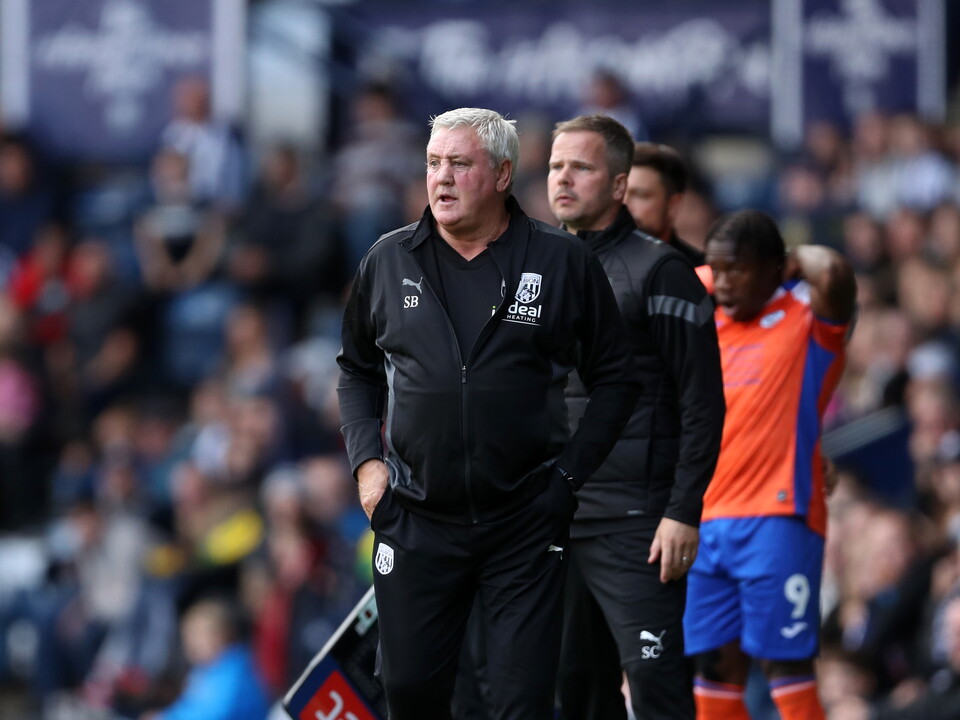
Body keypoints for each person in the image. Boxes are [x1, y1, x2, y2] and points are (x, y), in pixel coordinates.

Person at [336, 107, 641, 720]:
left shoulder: (561, 262)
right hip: (417, 518)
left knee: (521, 703)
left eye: (459, 164)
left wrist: (566, 480)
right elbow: (356, 369)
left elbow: (617, 378)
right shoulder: (388, 259)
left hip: (523, 522)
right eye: (433, 163)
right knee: (411, 694)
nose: (441, 178)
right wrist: (368, 468)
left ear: (503, 174)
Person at [547, 114, 725, 719]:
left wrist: (682, 511)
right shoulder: (533, 268)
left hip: (638, 525)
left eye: (582, 167)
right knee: (575, 694)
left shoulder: (661, 270)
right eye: (555, 166)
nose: (563, 178)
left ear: (620, 185)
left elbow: (703, 401)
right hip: (556, 520)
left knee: (656, 693)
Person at [685, 209, 857, 720]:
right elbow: (662, 279)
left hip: (777, 516)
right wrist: (717, 269)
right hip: (704, 520)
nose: (725, 281)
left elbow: (833, 274)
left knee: (786, 669)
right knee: (714, 673)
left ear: (774, 268)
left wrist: (792, 261)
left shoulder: (806, 320)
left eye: (739, 269)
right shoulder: (705, 318)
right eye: (719, 270)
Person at [625, 142, 705, 266]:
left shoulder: (698, 272)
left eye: (640, 195)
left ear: (673, 205)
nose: (624, 204)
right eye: (618, 193)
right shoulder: (590, 262)